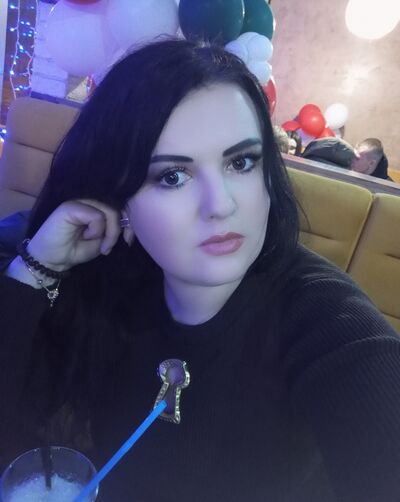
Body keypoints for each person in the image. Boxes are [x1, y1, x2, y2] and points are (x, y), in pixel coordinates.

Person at [1, 39, 399, 502]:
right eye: (172, 176)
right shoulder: (110, 281)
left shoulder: (326, 322)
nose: (221, 205)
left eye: (241, 162)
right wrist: (37, 269)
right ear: (117, 195)